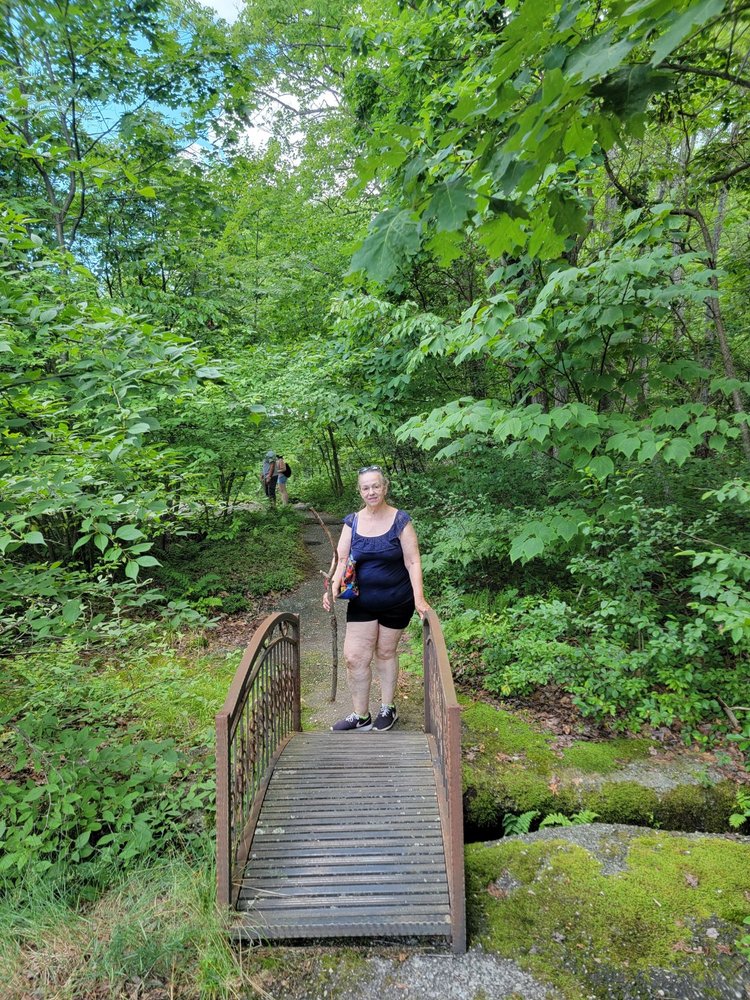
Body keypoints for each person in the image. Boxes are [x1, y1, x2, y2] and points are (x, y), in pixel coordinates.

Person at [322, 464, 430, 733]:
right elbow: (342, 558)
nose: (371, 491)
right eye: (365, 487)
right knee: (354, 657)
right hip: (363, 601)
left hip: (397, 600)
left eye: (376, 486)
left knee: (384, 652)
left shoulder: (400, 520)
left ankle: (388, 708)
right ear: (360, 491)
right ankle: (361, 715)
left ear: (385, 487)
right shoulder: (352, 522)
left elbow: (413, 560)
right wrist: (332, 587)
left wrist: (419, 598)